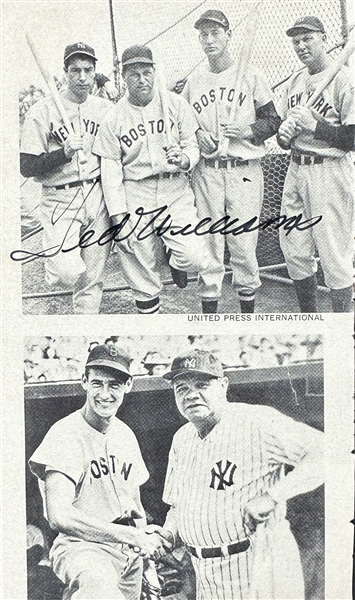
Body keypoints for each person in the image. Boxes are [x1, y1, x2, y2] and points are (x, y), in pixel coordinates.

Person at [152, 349, 324, 599]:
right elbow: (178, 506)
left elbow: (329, 451)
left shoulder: (257, 421)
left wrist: (273, 495)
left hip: (259, 564)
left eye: (201, 384)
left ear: (223, 385)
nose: (191, 395)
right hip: (206, 574)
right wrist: (168, 533)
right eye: (182, 388)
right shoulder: (182, 438)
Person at [29, 344, 169, 599]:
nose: (105, 393)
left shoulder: (125, 434)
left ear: (128, 386)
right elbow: (59, 516)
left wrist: (145, 552)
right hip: (83, 548)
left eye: (114, 385)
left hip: (128, 553)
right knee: (98, 586)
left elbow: (134, 504)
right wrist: (130, 535)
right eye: (97, 383)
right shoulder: (65, 434)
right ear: (84, 381)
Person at [93, 45, 209, 314]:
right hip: (135, 191)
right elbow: (110, 173)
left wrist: (185, 158)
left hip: (174, 189)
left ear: (154, 72)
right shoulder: (114, 117)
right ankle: (150, 315)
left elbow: (193, 145)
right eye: (135, 74)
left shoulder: (176, 103)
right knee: (139, 265)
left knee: (195, 257)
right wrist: (118, 218)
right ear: (124, 76)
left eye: (147, 72)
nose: (142, 79)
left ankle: (174, 258)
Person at [181, 10, 281, 314]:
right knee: (208, 247)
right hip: (207, 171)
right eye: (204, 35)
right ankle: (209, 315)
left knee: (243, 247)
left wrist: (249, 130)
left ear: (228, 35)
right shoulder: (194, 81)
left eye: (215, 33)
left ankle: (246, 315)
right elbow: (181, 122)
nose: (210, 40)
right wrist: (197, 133)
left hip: (244, 171)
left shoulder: (252, 74)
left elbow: (273, 120)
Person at [20, 42, 112, 314]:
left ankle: (85, 322)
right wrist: (63, 152)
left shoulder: (105, 109)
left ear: (95, 72)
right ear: (65, 72)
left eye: (88, 70)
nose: (82, 77)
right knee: (67, 272)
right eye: (75, 71)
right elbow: (26, 166)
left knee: (91, 281)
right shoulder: (42, 110)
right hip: (60, 197)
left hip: (97, 195)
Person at [277, 16, 354, 312]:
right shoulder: (296, 81)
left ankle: (341, 326)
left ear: (323, 38)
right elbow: (286, 134)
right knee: (294, 250)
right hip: (296, 169)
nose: (301, 45)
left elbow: (353, 138)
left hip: (329, 171)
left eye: (308, 38)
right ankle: (308, 317)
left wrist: (315, 126)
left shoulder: (345, 80)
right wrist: (285, 136)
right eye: (296, 41)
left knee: (334, 255)